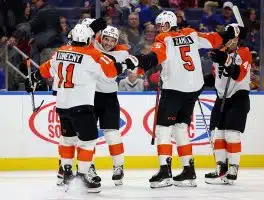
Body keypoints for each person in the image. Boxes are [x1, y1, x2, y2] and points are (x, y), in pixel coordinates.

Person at [24, 24, 135, 192]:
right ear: (89, 39)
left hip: (61, 106)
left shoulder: (60, 52)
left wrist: (31, 79)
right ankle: (83, 176)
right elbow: (111, 71)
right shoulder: (92, 55)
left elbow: (44, 71)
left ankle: (65, 173)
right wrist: (127, 64)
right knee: (88, 141)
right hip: (81, 105)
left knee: (68, 140)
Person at [136, 11, 238, 188]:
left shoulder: (163, 39)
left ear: (169, 24)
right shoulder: (191, 33)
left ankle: (164, 172)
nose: (159, 29)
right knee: (181, 127)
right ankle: (188, 172)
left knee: (163, 129)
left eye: (162, 25)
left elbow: (156, 57)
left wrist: (142, 62)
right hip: (193, 89)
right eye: (159, 26)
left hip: (175, 89)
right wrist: (229, 32)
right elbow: (213, 39)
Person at [55, 21, 138, 187]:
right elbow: (79, 37)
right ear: (99, 38)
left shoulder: (121, 53)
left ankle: (118, 166)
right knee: (85, 138)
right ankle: (85, 168)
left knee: (111, 133)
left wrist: (135, 64)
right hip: (88, 98)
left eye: (112, 41)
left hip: (108, 98)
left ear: (117, 42)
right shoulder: (91, 48)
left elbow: (134, 71)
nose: (108, 43)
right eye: (106, 39)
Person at [204, 24, 251, 185]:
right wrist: (198, 82)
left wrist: (225, 59)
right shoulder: (221, 52)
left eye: (230, 36)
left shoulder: (244, 53)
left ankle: (233, 168)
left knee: (231, 133)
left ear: (237, 38)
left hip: (238, 97)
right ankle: (221, 168)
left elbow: (237, 74)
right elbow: (215, 77)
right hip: (221, 97)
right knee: (217, 134)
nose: (226, 39)